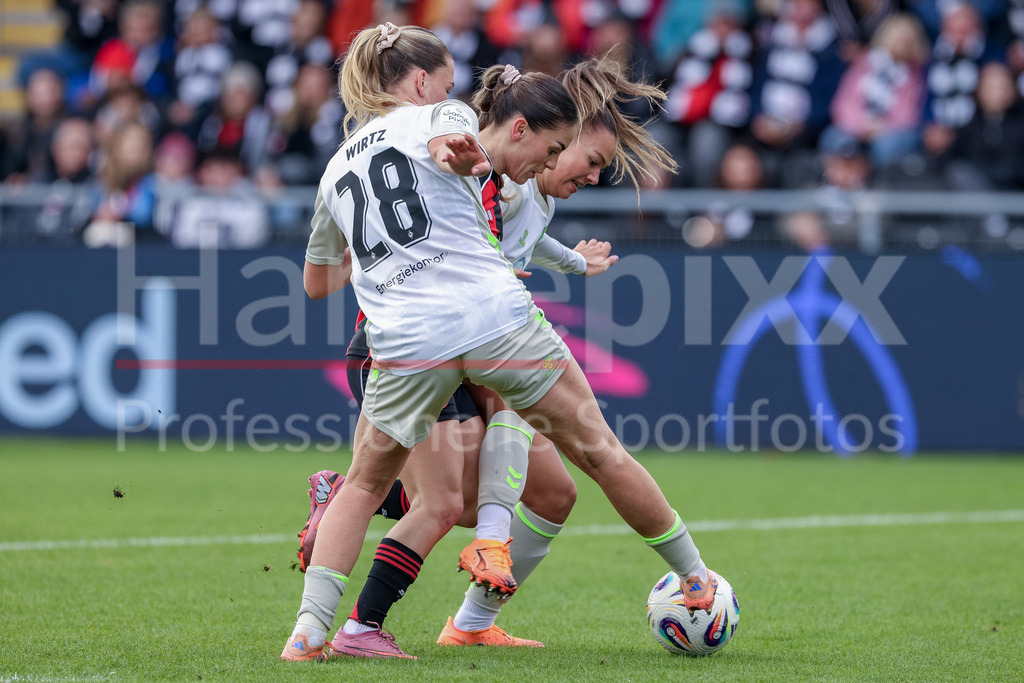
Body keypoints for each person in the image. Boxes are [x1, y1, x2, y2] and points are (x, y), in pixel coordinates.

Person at [283, 22, 720, 662]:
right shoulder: (440, 113)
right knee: (599, 451)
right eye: (449, 82)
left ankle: (307, 636)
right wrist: (457, 154)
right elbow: (448, 141)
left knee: (365, 486)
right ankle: (696, 577)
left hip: (403, 337)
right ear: (420, 82)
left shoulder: (335, 170)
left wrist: (383, 251)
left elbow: (317, 282)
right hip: (487, 318)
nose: (456, 92)